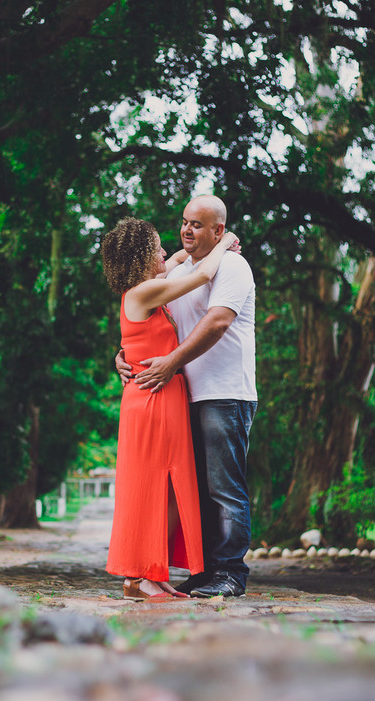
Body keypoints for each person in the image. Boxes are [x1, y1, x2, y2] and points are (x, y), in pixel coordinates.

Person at [116, 195, 257, 598]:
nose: (186, 230)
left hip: (224, 392)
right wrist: (123, 356)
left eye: (197, 224)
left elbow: (218, 322)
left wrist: (171, 362)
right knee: (194, 491)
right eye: (184, 222)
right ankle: (205, 572)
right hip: (182, 397)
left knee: (224, 489)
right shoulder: (180, 273)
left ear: (218, 230)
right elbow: (148, 326)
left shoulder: (233, 265)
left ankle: (230, 572)